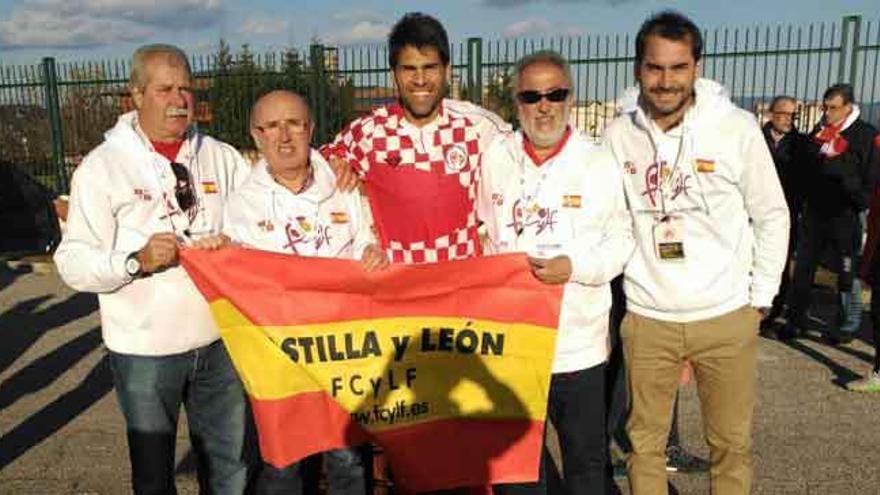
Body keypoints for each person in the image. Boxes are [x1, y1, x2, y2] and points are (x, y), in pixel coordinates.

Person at [602, 11, 789, 495]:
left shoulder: (736, 128)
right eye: (654, 68)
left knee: (730, 445)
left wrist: (760, 299)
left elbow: (771, 213)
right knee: (644, 447)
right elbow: (610, 219)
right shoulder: (619, 135)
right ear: (638, 68)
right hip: (647, 317)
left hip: (726, 315)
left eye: (677, 67)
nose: (665, 81)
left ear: (697, 68)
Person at [53, 44, 253, 494]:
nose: (179, 99)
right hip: (143, 349)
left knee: (231, 468)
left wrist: (233, 240)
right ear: (136, 95)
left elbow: (262, 217)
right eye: (165, 89)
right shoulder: (101, 168)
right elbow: (73, 262)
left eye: (186, 88)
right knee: (153, 477)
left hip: (221, 341)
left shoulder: (220, 156)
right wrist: (135, 262)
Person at [478, 51, 633, 494]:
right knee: (517, 469)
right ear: (516, 102)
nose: (543, 105)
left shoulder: (598, 161)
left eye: (554, 94)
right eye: (531, 95)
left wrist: (576, 268)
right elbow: (483, 231)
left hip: (577, 346)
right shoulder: (497, 157)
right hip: (514, 344)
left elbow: (622, 242)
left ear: (570, 98)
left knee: (586, 464)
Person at [223, 89, 388, 494]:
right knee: (285, 465)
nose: (284, 136)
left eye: (294, 123)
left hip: (341, 353)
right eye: (271, 126)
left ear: (311, 128)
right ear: (256, 135)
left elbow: (369, 243)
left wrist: (373, 252)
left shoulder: (344, 186)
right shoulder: (241, 203)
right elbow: (235, 279)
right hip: (278, 359)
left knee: (348, 459)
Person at [322, 12, 510, 265]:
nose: (420, 80)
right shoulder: (369, 132)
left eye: (429, 68)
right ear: (394, 74)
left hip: (461, 287)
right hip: (400, 287)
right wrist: (335, 162)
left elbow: (524, 160)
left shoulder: (479, 126)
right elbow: (318, 161)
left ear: (447, 69)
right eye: (409, 69)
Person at [784, 83, 879, 342]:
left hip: (846, 215)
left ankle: (846, 325)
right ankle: (795, 319)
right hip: (815, 213)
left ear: (848, 107)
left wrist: (842, 173)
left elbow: (869, 181)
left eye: (833, 108)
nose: (827, 113)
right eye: (825, 107)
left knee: (847, 273)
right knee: (803, 267)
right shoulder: (820, 130)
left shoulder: (866, 135)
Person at [760, 95, 814, 334]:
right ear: (772, 114)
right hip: (753, 212)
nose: (789, 120)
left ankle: (771, 316)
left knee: (779, 264)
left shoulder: (802, 144)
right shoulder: (755, 139)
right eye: (784, 114)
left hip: (787, 214)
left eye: (793, 115)